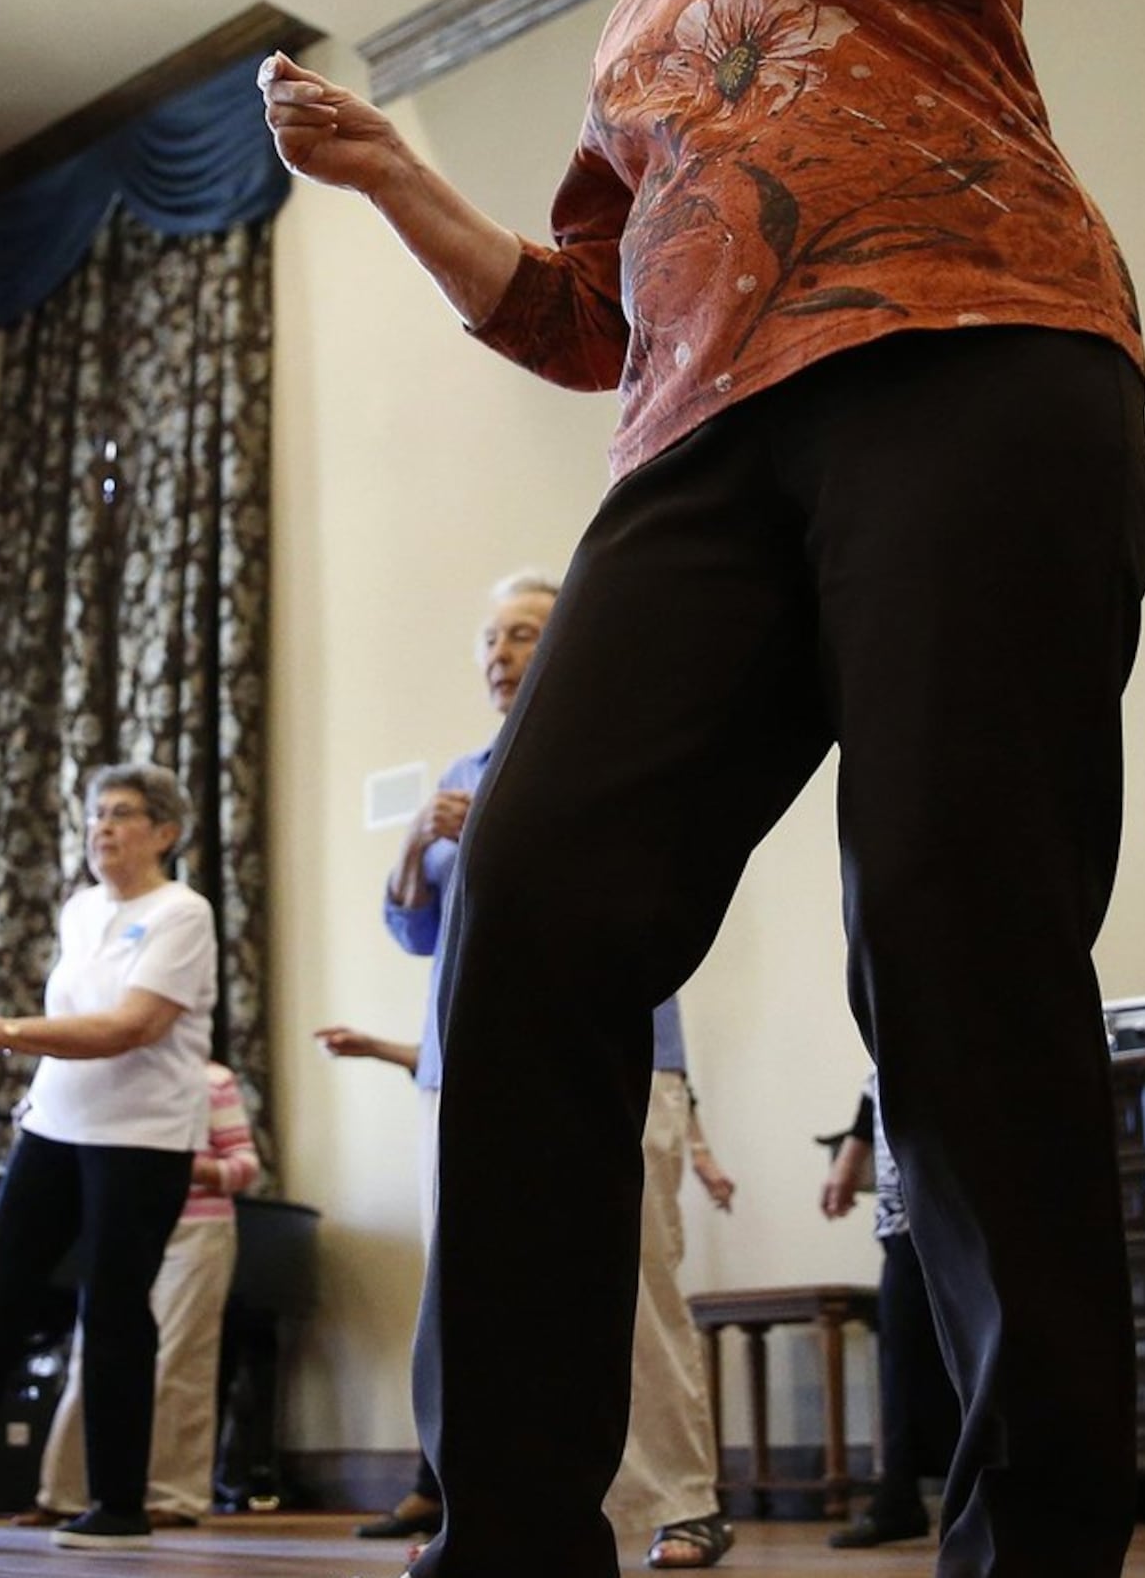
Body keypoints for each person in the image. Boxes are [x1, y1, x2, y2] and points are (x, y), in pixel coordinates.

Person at [258, 0, 1145, 1567]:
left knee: (955, 932)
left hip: (972, 360)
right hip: (698, 442)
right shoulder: (642, 4)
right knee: (538, 914)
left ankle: (1036, 1538)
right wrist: (395, 180)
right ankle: (516, 1536)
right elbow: (581, 312)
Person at [314, 572, 739, 1568]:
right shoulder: (463, 775)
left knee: (634, 1283)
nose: (503, 655)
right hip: (464, 1068)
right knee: (473, 1292)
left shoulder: (616, 739)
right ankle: (484, 1506)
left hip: (611, 1050)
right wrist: (419, 836)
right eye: (492, 641)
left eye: (525, 635)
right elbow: (412, 927)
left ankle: (685, 1502)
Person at [0, 763, 223, 1550]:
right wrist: (29, 1065)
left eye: (124, 814)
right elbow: (84, 1023)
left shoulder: (181, 914)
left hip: (142, 1140)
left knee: (112, 1313)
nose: (103, 826)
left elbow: (131, 1026)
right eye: (97, 812)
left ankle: (120, 1503)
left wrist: (9, 1031)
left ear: (165, 833)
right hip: (55, 1129)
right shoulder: (80, 910)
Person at [29, 1059, 265, 1529]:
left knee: (180, 1361)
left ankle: (174, 1496)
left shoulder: (212, 1082)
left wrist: (170, 1165)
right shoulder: (104, 1077)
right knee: (91, 1354)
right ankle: (66, 1492)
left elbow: (245, 1167)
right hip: (120, 1226)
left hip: (197, 1234)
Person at [817, 1077, 949, 1550]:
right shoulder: (892, 1011)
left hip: (951, 1198)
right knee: (904, 1354)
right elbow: (881, 1074)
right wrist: (849, 1160)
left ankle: (918, 1498)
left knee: (956, 1356)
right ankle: (900, 1497)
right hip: (905, 1212)